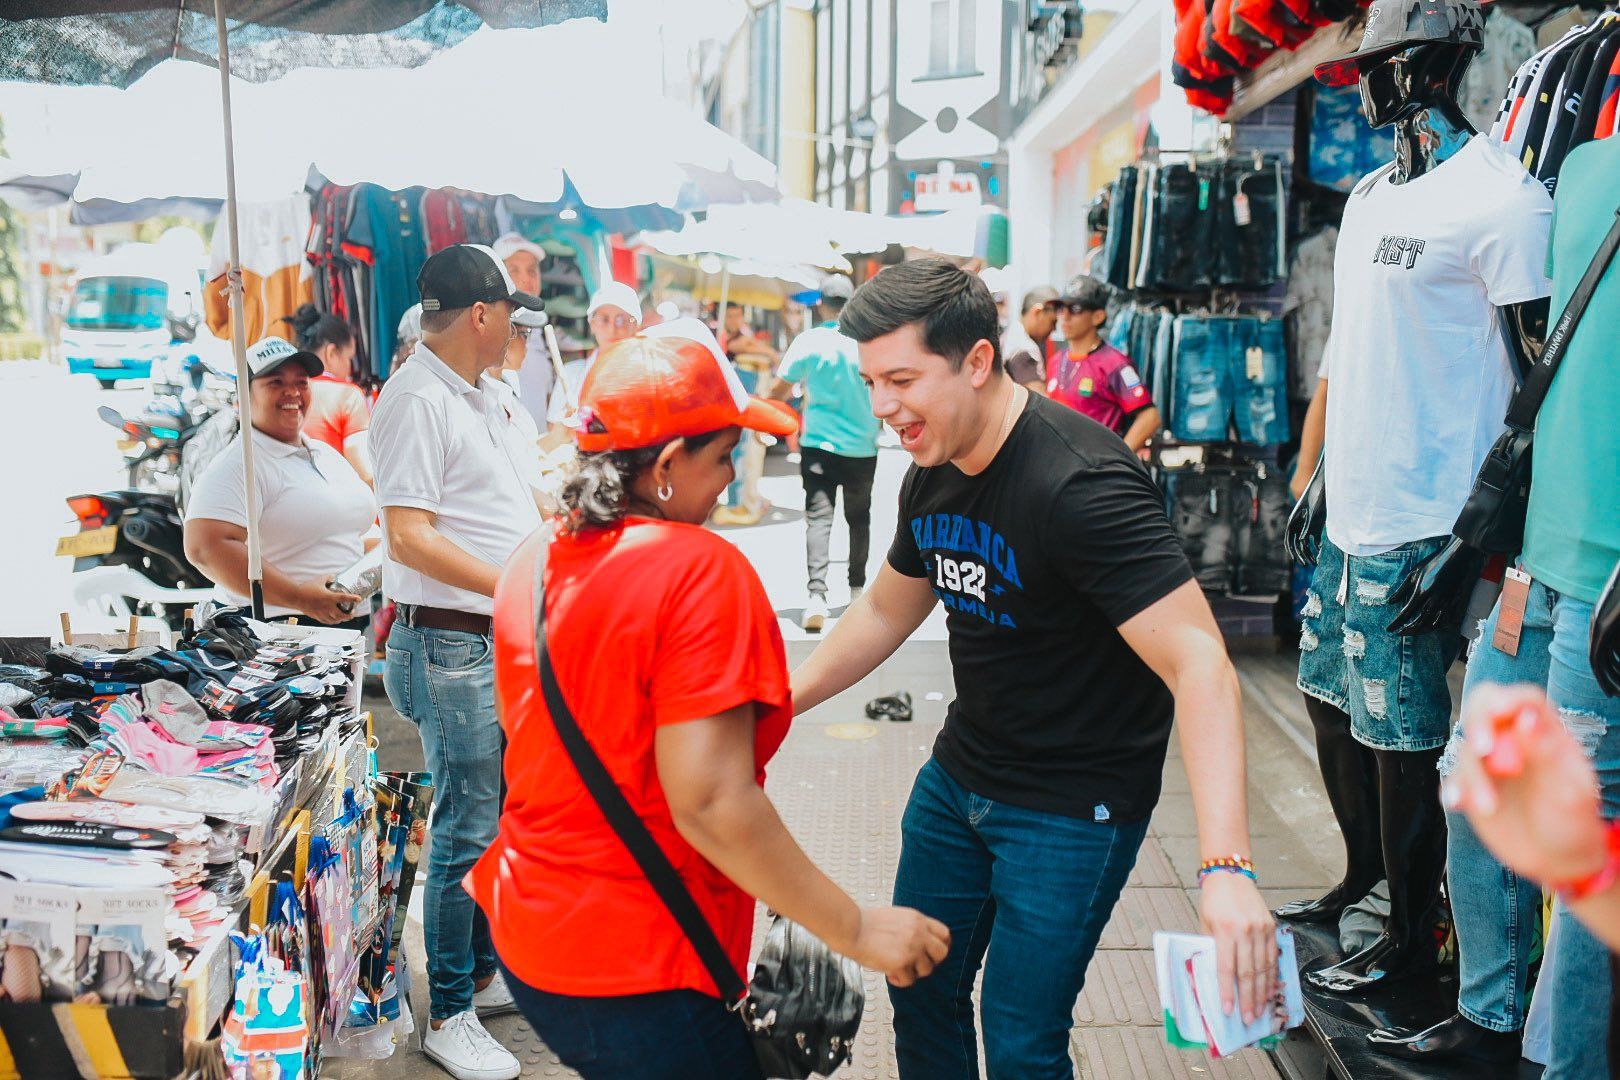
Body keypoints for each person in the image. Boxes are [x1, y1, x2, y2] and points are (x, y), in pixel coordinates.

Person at [791, 258, 1277, 1079]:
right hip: (958, 780)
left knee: (1020, 1039)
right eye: (872, 383)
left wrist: (1226, 868)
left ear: (977, 362)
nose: (882, 409)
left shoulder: (1081, 485)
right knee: (918, 987)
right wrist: (771, 700)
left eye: (901, 380)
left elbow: (1200, 661)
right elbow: (883, 610)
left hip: (1071, 808)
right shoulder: (932, 470)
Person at [467, 319, 949, 1079]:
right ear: (664, 464)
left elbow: (532, 735)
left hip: (529, 933)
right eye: (724, 457)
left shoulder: (530, 559)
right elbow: (712, 802)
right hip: (639, 961)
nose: (732, 477)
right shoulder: (699, 570)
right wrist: (855, 928)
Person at [371, 244, 546, 1080]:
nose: (515, 328)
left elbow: (518, 502)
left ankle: (476, 973)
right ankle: (447, 1011)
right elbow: (409, 535)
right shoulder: (414, 400)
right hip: (449, 643)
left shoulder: (487, 396)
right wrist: (515, 580)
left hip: (491, 638)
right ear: (481, 314)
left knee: (496, 814)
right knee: (466, 827)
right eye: (509, 313)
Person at [183, 336, 375, 627]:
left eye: (301, 383)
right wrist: (299, 597)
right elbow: (204, 547)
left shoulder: (322, 453)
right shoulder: (240, 464)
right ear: (242, 400)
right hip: (275, 636)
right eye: (275, 383)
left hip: (337, 635)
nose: (292, 392)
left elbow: (343, 532)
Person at [770, 275, 878, 632]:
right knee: (858, 518)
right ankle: (857, 590)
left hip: (817, 444)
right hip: (862, 446)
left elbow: (780, 389)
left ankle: (816, 595)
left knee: (819, 518)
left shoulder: (809, 341)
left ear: (822, 305)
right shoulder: (868, 342)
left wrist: (764, 418)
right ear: (851, 303)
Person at [1046, 277, 1160, 451]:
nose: (1065, 316)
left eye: (1075, 309)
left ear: (1098, 316)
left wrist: (1118, 460)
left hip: (1094, 470)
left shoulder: (1114, 363)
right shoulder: (1056, 360)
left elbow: (1150, 417)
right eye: (1061, 308)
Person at [544, 281, 641, 446]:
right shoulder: (571, 375)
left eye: (622, 320)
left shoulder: (646, 377)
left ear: (637, 326)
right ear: (592, 324)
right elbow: (553, 438)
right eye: (604, 319)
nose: (612, 329)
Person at [284, 303, 372, 485]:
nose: (350, 367)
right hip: (334, 504)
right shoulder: (347, 395)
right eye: (349, 358)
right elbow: (365, 471)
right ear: (331, 353)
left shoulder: (283, 392)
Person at [714, 302, 779, 526]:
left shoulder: (739, 337)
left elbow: (752, 345)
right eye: (730, 316)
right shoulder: (726, 339)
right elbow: (749, 346)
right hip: (730, 406)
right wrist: (771, 353)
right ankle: (737, 502)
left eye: (737, 316)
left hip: (745, 403)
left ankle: (743, 500)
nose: (733, 320)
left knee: (746, 453)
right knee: (738, 453)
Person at [494, 232, 554, 425]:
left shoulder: (540, 331)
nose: (526, 279)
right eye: (514, 271)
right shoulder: (492, 334)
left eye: (531, 271)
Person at [1001, 285, 1059, 396]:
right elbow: (1039, 403)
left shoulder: (1012, 334)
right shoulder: (1024, 349)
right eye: (1053, 322)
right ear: (1037, 312)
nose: (1054, 329)